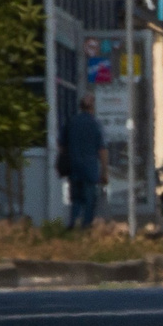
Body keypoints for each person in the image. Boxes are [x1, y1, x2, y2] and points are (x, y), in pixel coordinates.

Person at [63, 93, 107, 230]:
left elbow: (62, 145)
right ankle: (85, 228)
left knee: (75, 199)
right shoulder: (95, 124)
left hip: (74, 167)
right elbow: (102, 150)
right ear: (92, 108)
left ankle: (73, 224)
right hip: (90, 168)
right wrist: (104, 172)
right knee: (89, 200)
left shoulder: (71, 122)